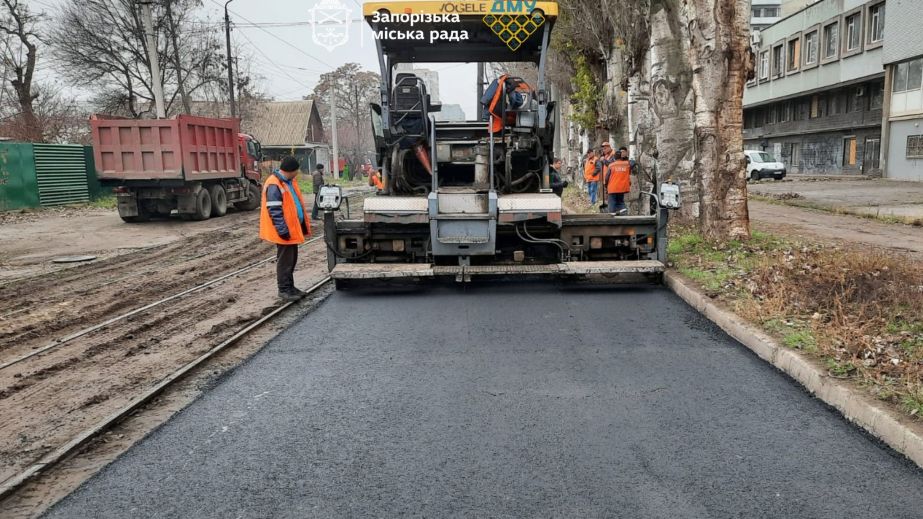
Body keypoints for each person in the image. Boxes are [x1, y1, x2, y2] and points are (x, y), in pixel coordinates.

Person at [259, 156, 311, 302]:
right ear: (292, 170)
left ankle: (290, 287)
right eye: (297, 170)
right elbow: (274, 210)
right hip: (284, 232)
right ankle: (284, 289)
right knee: (285, 261)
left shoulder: (288, 182)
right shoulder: (274, 184)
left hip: (291, 230)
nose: (298, 173)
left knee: (291, 260)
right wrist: (282, 230)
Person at [605, 147, 631, 215]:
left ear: (614, 158)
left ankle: (611, 219)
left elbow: (607, 177)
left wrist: (606, 185)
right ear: (621, 157)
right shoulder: (627, 164)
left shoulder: (611, 165)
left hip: (612, 188)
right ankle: (624, 216)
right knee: (620, 202)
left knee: (612, 203)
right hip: (622, 188)